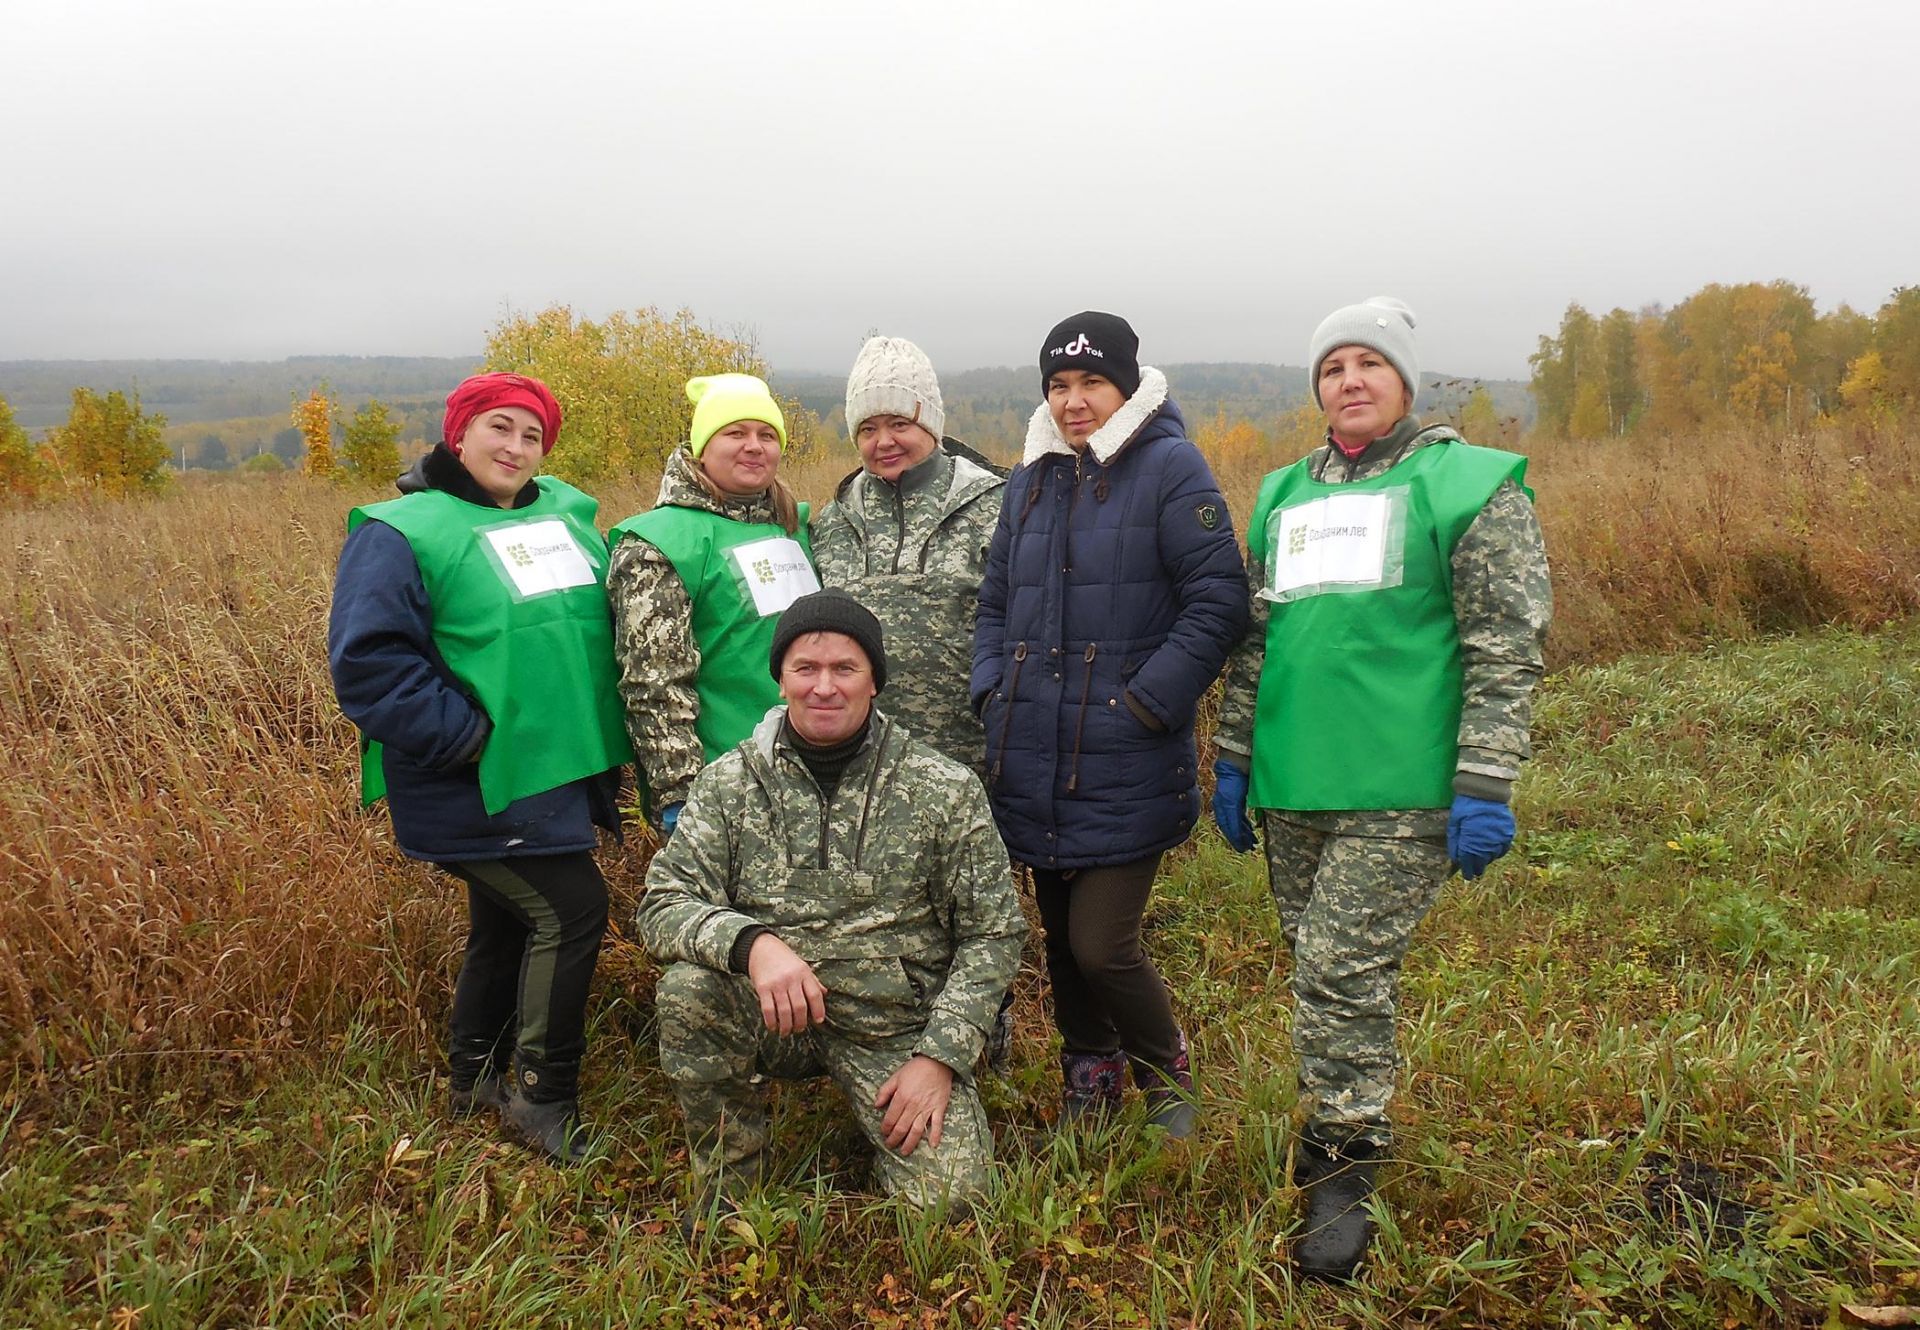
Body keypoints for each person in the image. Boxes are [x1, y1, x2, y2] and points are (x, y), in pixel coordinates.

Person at [1212, 297, 1552, 1281]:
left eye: (1369, 364)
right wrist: (1234, 758)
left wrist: (1485, 778)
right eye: (1332, 368)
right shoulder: (1282, 495)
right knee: (1316, 966)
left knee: (1338, 971)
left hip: (1402, 789)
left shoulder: (1467, 485)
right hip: (1294, 784)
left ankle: (1345, 1155)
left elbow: (1505, 641)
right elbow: (1257, 640)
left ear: (1404, 379)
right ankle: (1336, 1118)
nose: (1349, 381)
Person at [635, 589, 1026, 1216]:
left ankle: (885, 1123)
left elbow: (995, 934)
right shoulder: (730, 783)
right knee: (689, 990)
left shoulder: (943, 789)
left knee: (952, 1203)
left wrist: (941, 1056)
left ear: (875, 682)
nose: (824, 687)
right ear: (781, 678)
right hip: (776, 1016)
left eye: (844, 669)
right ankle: (731, 1187)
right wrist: (753, 945)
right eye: (805, 669)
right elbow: (662, 903)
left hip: (893, 1027)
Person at [328, 372, 632, 1165]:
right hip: (473, 781)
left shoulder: (564, 512)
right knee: (570, 911)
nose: (516, 448)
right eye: (500, 428)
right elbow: (368, 665)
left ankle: (473, 1081)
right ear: (458, 433)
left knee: (508, 922)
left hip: (557, 775)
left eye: (533, 436)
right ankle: (541, 1096)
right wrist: (467, 739)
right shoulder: (402, 530)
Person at [971, 312, 1247, 1138]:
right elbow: (993, 601)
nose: (1074, 401)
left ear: (1127, 386)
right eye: (1059, 385)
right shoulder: (1030, 480)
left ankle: (1166, 1072)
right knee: (1057, 938)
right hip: (1031, 749)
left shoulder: (1170, 468)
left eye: (1092, 383)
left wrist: (1146, 703)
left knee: (1103, 943)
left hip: (1124, 753)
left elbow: (1219, 600)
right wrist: (993, 689)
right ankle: (1089, 1074)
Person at [811, 336, 1018, 1068]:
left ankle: (983, 1047)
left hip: (969, 753)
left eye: (897, 421)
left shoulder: (995, 506)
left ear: (930, 418)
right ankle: (887, 1041)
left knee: (972, 909)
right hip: (866, 758)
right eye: (866, 427)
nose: (883, 440)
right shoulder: (832, 520)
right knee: (888, 907)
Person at [607, 373, 820, 834]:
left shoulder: (794, 529)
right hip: (724, 788)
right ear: (702, 446)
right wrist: (682, 796)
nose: (754, 446)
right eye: (735, 433)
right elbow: (654, 682)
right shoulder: (660, 544)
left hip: (811, 774)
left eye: (767, 435)